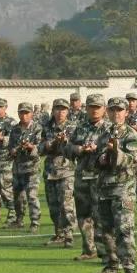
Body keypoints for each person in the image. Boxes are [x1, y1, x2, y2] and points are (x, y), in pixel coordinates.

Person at [93, 97, 137, 273]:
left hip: (123, 189)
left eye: (120, 110)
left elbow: (135, 160)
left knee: (124, 230)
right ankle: (112, 264)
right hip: (104, 188)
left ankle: (129, 268)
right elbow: (94, 160)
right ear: (107, 112)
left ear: (126, 112)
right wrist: (101, 159)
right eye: (113, 110)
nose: (116, 114)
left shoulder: (131, 135)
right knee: (104, 230)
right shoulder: (103, 133)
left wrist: (117, 153)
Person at [65, 94, 109, 261]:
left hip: (100, 178)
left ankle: (104, 251)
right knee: (83, 214)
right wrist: (81, 149)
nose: (94, 110)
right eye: (91, 107)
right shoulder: (80, 128)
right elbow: (67, 149)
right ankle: (88, 249)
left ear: (104, 109)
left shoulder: (109, 128)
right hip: (82, 176)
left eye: (98, 107)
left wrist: (97, 149)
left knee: (101, 216)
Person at [40, 98, 76, 247]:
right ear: (53, 111)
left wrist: (65, 143)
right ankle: (59, 233)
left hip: (66, 171)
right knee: (53, 206)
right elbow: (40, 149)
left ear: (67, 111)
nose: (60, 112)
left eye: (63, 109)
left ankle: (69, 235)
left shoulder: (73, 127)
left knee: (66, 205)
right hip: (50, 171)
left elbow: (76, 149)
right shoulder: (47, 128)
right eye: (57, 109)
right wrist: (51, 144)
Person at [7, 102, 44, 233]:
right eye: (21, 113)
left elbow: (40, 147)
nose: (24, 116)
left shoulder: (37, 128)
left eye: (26, 113)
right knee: (18, 197)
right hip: (17, 167)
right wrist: (13, 150)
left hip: (31, 168)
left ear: (31, 114)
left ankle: (35, 222)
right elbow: (10, 146)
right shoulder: (15, 130)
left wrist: (31, 147)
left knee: (32, 196)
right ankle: (19, 220)